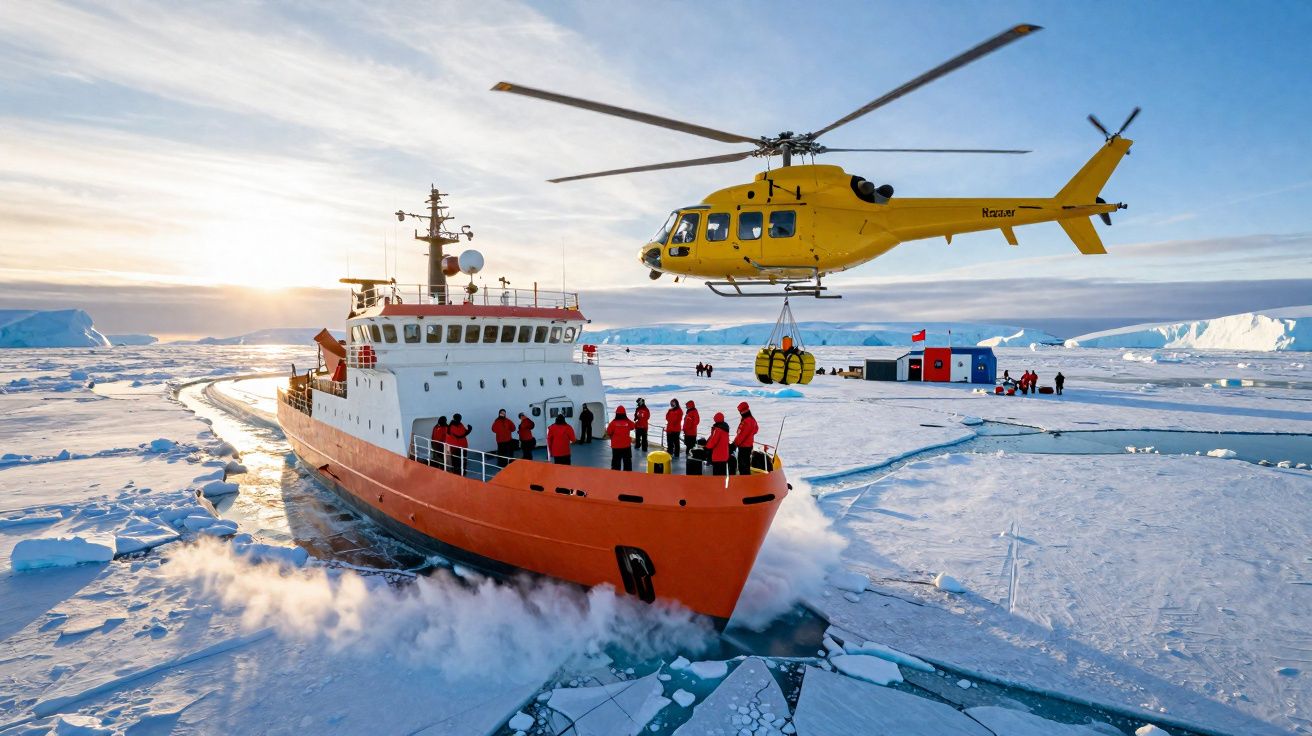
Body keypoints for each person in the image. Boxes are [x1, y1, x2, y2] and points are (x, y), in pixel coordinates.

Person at [605, 406, 637, 471]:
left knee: (616, 463)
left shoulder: (613, 423)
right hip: (626, 446)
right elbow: (633, 426)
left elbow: (608, 432)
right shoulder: (627, 422)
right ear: (624, 414)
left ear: (616, 414)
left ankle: (616, 475)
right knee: (627, 462)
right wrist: (627, 419)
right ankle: (627, 475)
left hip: (616, 446)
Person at [732, 401, 758, 475]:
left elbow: (741, 436)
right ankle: (746, 479)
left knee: (742, 467)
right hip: (749, 445)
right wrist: (750, 435)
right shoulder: (752, 420)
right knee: (746, 465)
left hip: (744, 447)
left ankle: (744, 480)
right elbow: (756, 429)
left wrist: (734, 444)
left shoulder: (745, 422)